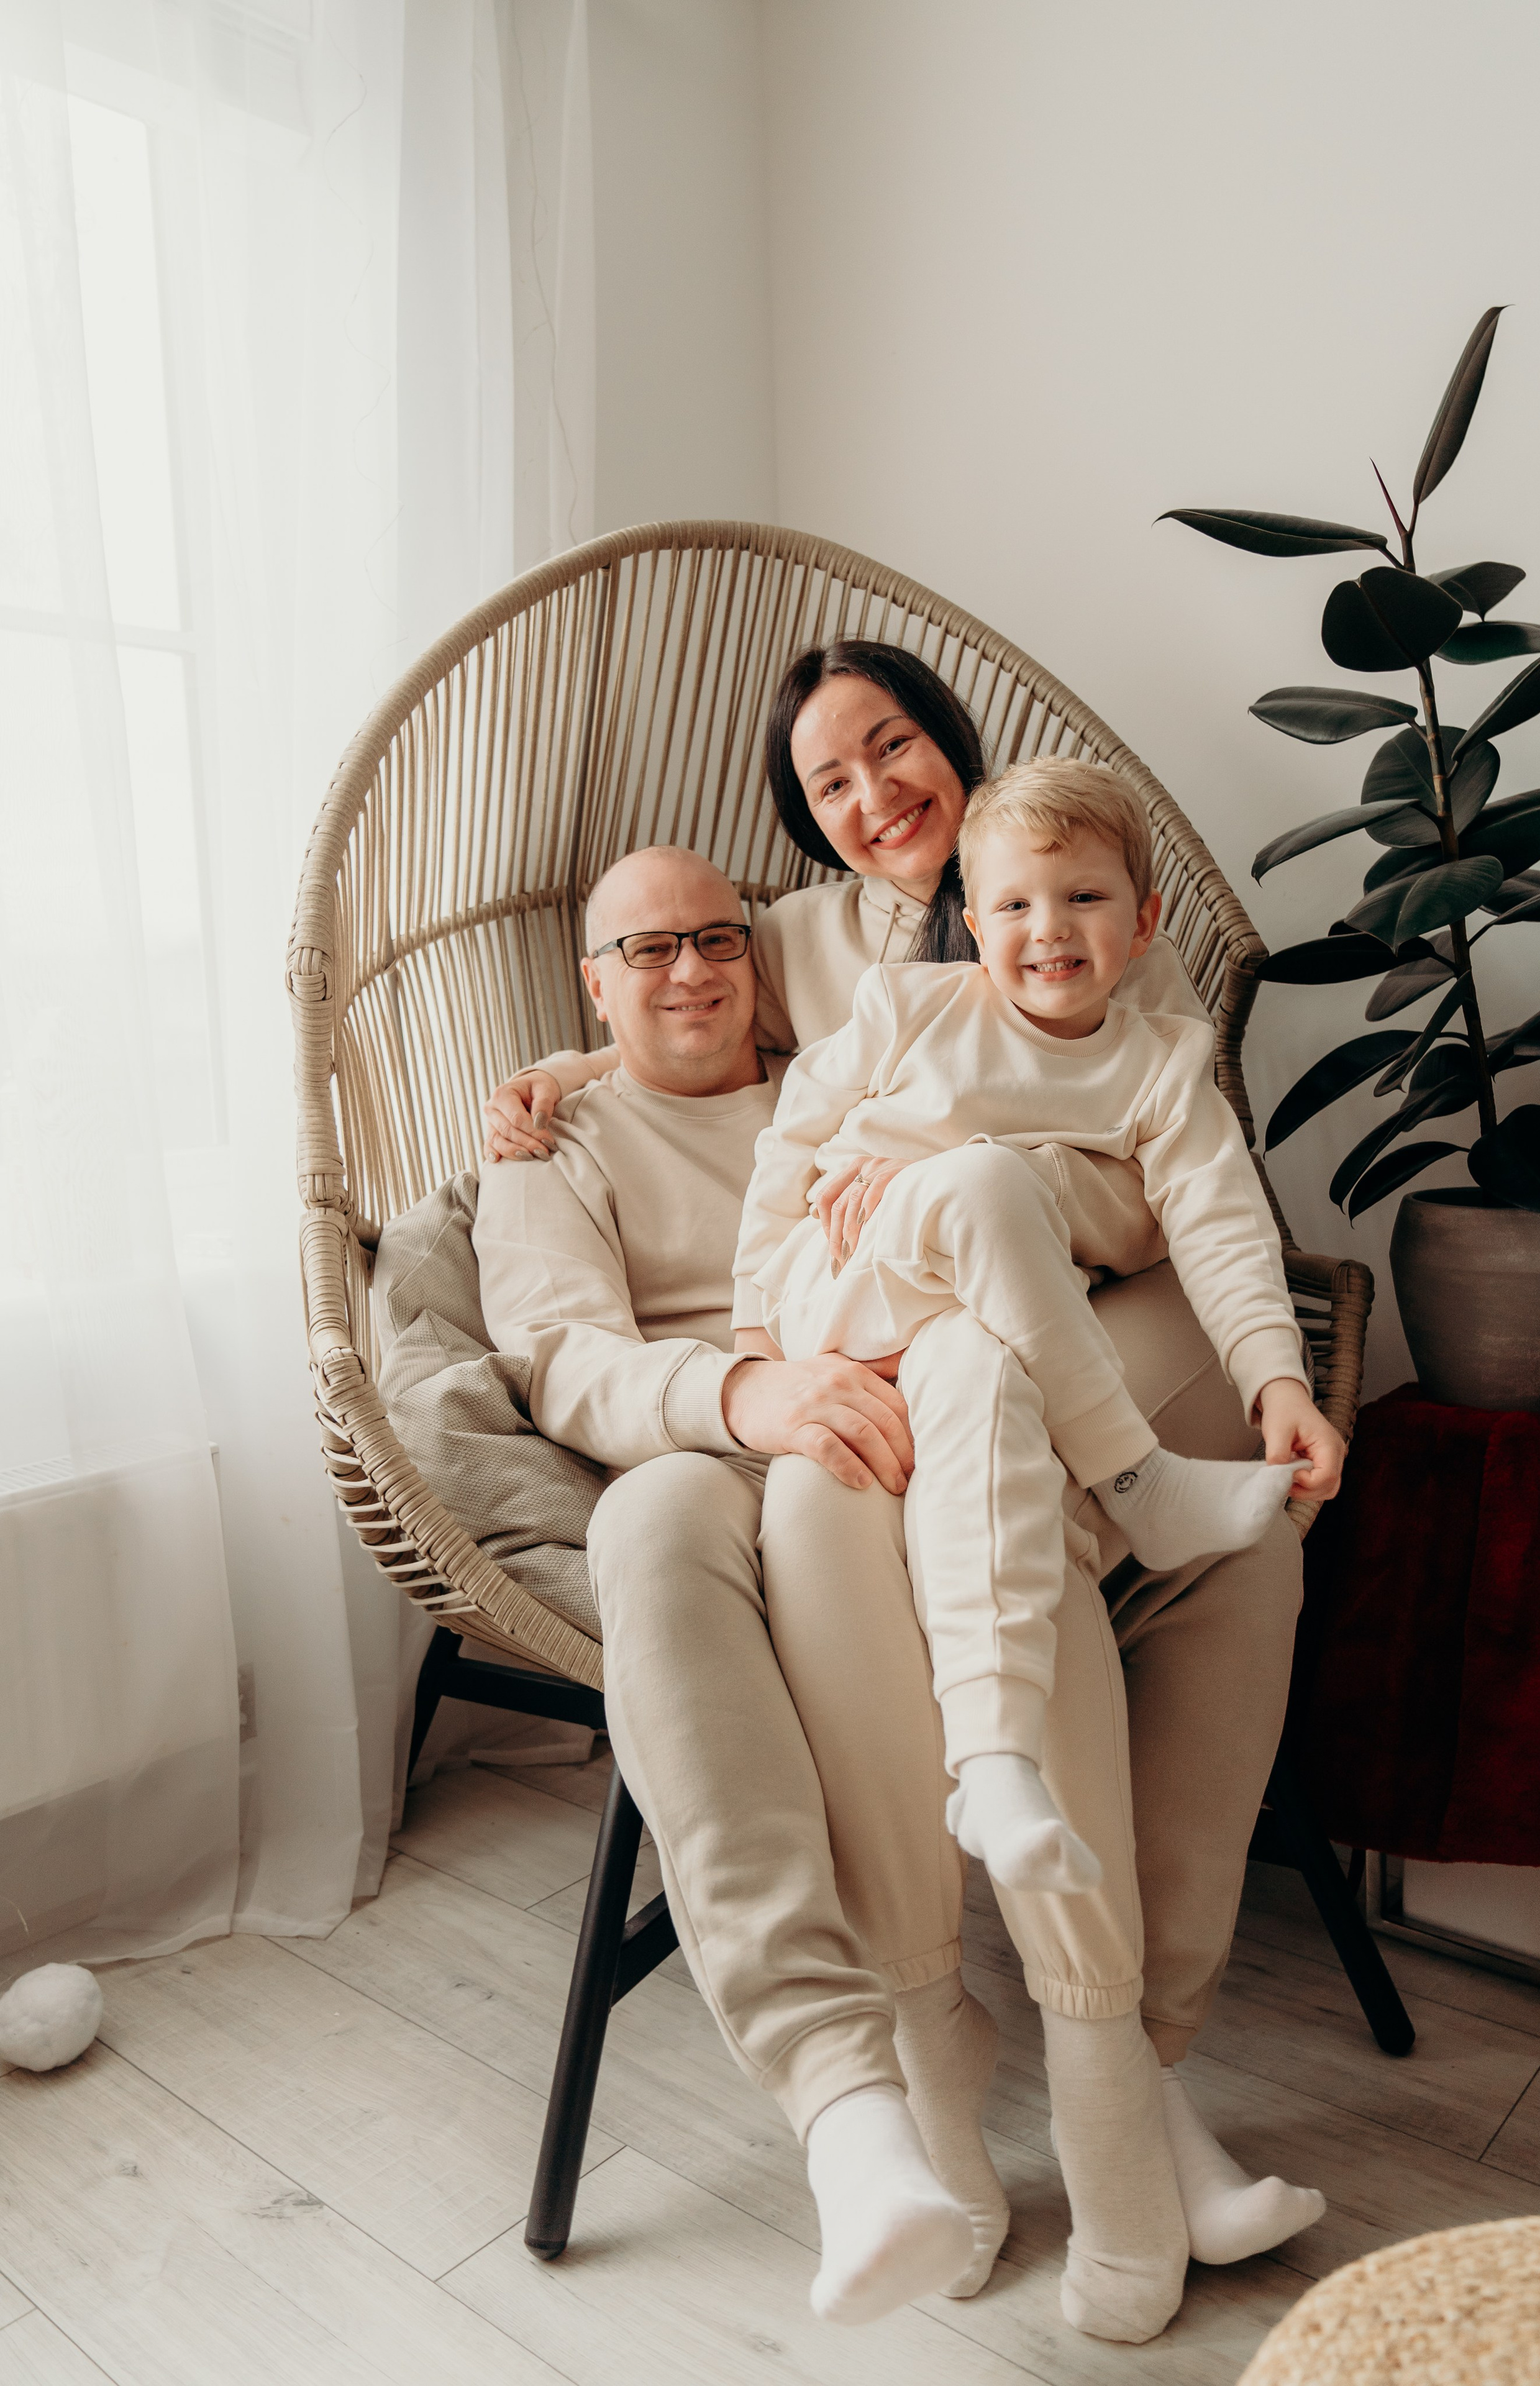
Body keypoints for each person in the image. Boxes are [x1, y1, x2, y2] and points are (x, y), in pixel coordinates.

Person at [480, 644, 1329, 2319]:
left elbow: (1181, 1186)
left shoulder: (1006, 961)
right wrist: (575, 1083)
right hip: (785, 1385)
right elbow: (693, 1078)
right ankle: (886, 2077)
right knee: (793, 1500)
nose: (875, 800)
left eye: (714, 935)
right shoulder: (817, 973)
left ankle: (1124, 2069)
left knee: (1029, 1466)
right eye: (830, 783)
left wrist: (1001, 1212)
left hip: (991, 1353)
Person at [732, 754, 1345, 1906]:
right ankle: (1139, 1477)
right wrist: (757, 1336)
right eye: (1012, 904)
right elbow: (786, 1147)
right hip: (850, 1285)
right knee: (985, 1186)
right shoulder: (909, 1008)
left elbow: (1221, 1228)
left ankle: (997, 1761)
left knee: (994, 1380)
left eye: (1083, 898)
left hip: (978, 1317)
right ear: (970, 922)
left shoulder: (1163, 1066)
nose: (1047, 931)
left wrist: (1277, 1383)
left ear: (1146, 919)